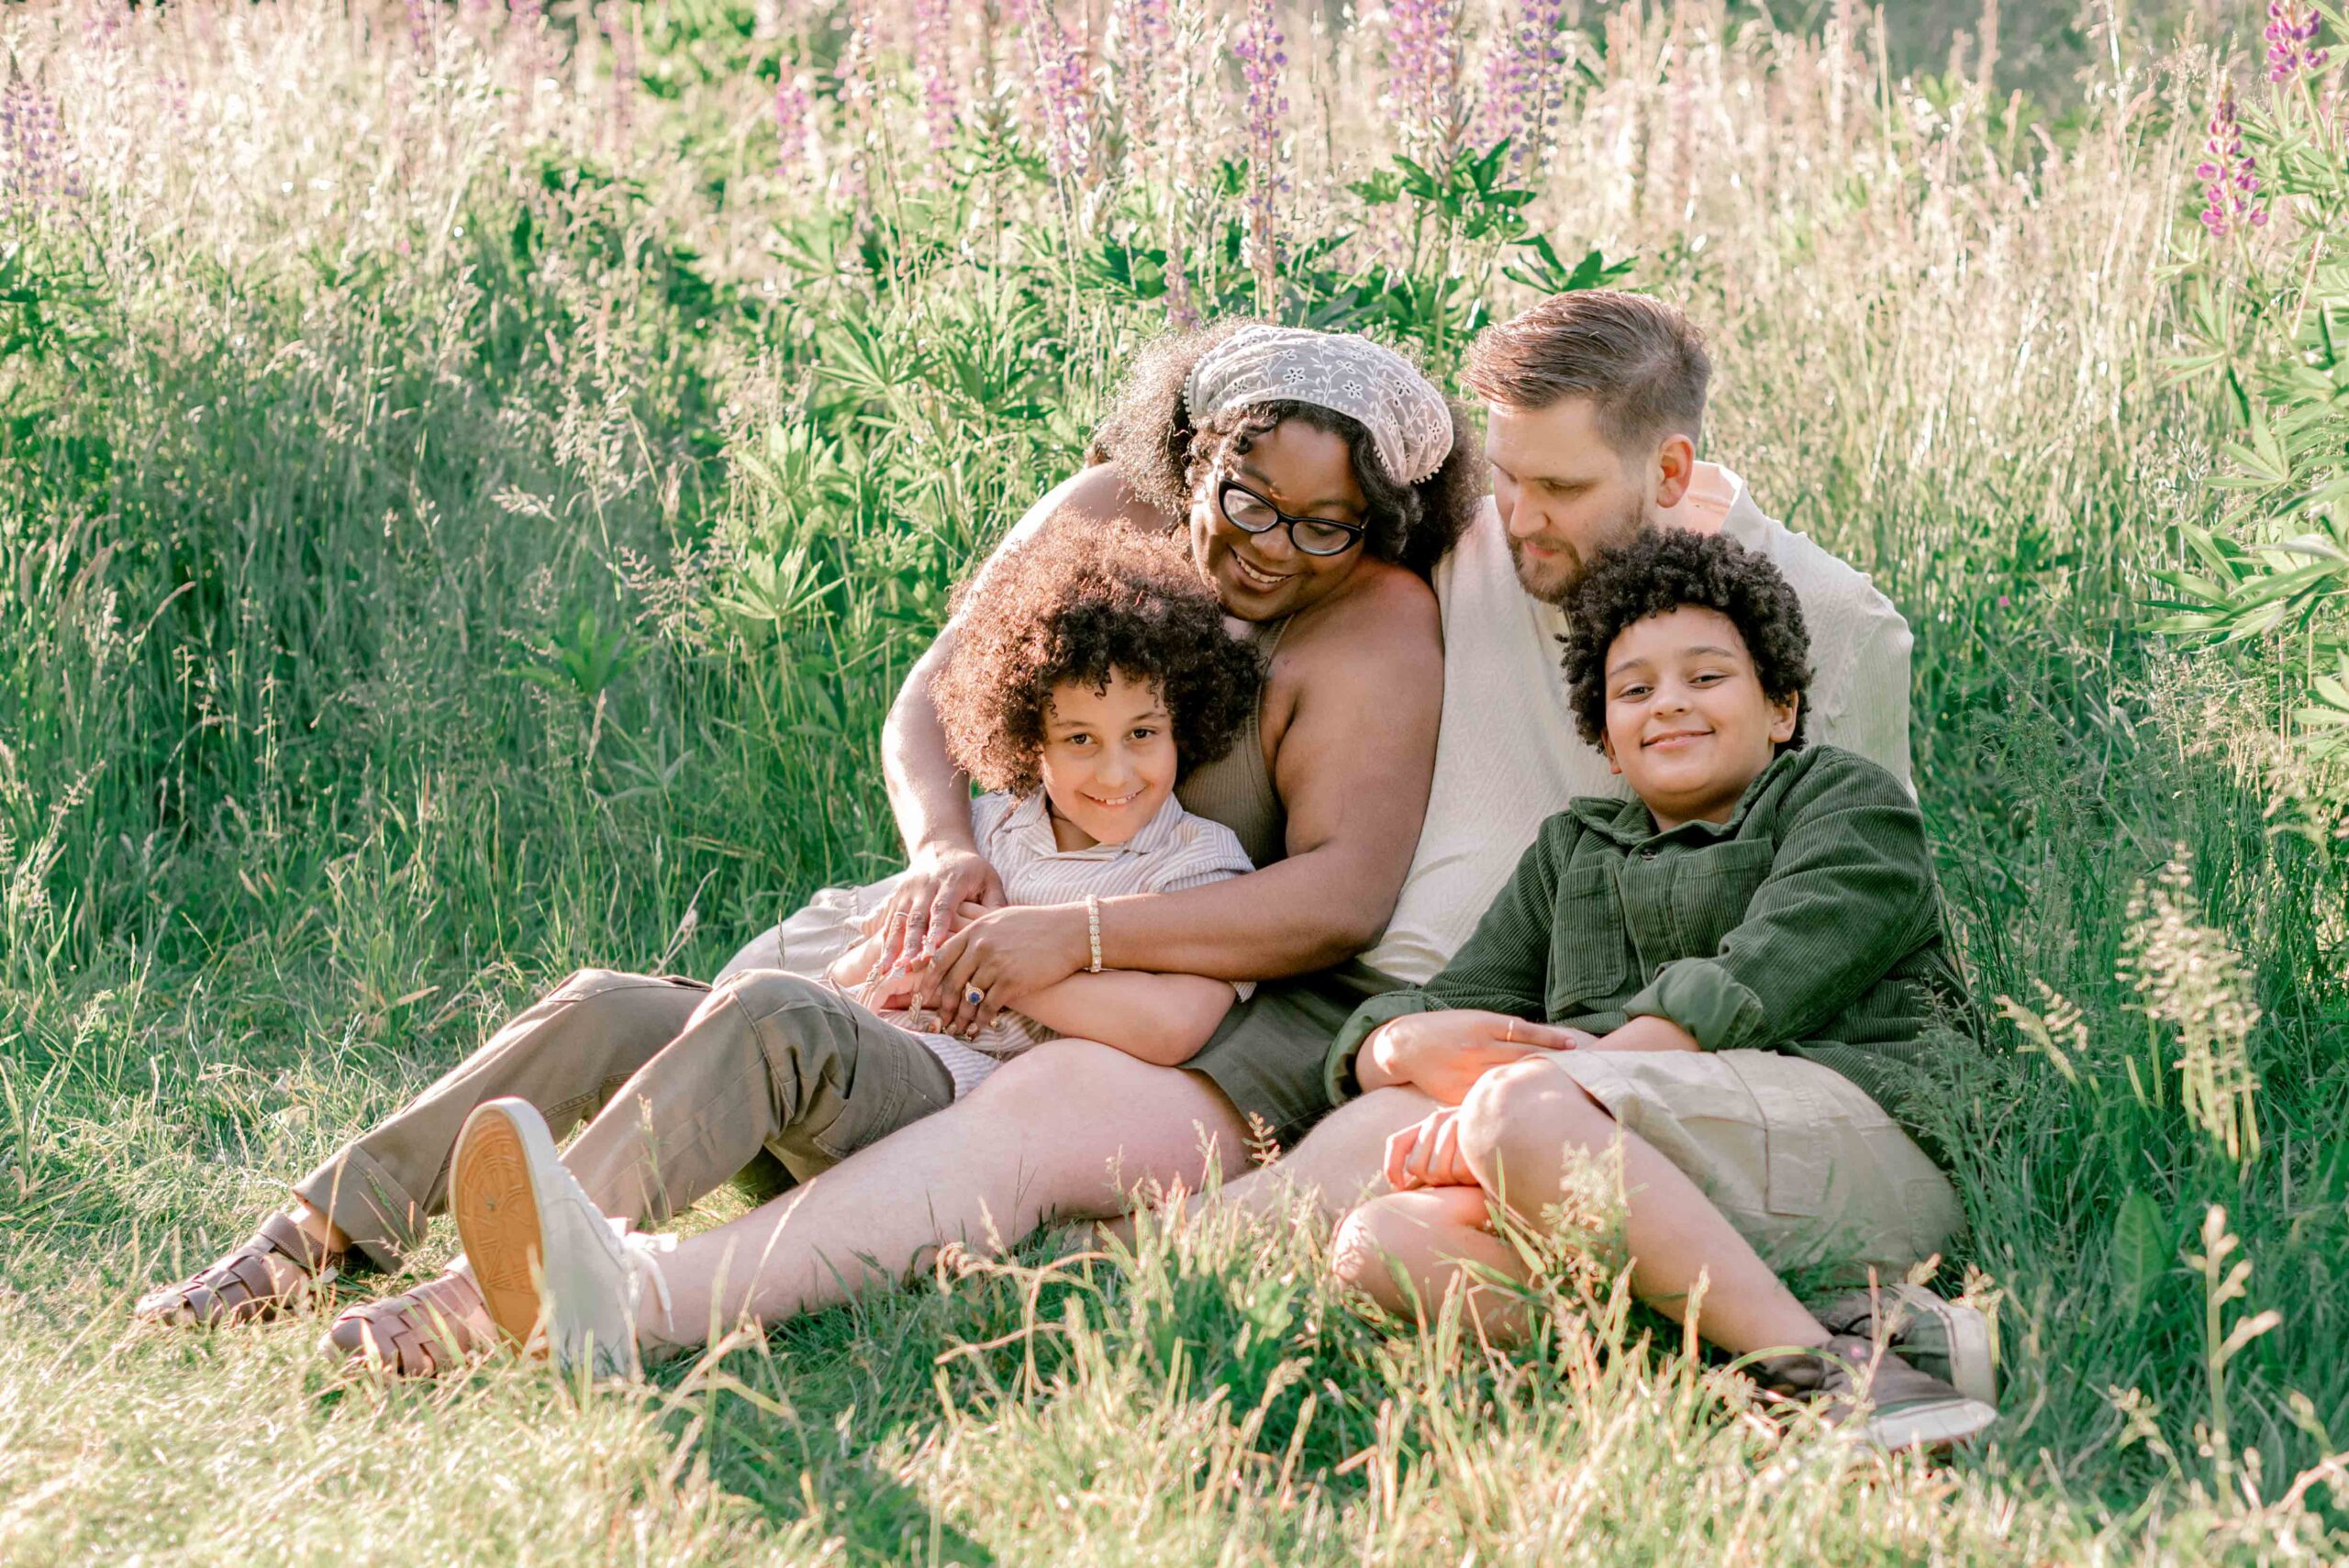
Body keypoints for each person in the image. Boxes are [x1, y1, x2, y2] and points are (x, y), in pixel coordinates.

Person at [131, 321, 1479, 1376]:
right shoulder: (1103, 512)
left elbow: (1340, 898)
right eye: (1249, 502)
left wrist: (1048, 943)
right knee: (609, 1005)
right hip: (920, 1002)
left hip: (1043, 1047)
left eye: (1325, 524)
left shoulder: (1369, 626)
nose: (1272, 549)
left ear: (1376, 522)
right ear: (1193, 458)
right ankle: (307, 1236)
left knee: (773, 1018)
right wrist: (947, 854)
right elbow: (932, 702)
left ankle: (500, 1292)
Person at [438, 522, 1269, 1374]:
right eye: (1079, 740)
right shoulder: (995, 825)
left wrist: (995, 969)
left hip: (938, 1115)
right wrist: (885, 965)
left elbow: (1174, 1024)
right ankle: (342, 1216)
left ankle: (482, 1290)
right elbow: (873, 949)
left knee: (772, 1011)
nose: (1116, 771)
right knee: (608, 1001)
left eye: (1143, 733)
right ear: (1030, 740)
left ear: (1185, 725)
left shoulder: (1196, 864)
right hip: (849, 1067)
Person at [1321, 527, 1994, 1451]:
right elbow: (1447, 997)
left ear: (1781, 708)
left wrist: (1547, 1101)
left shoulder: (1845, 800)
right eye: (1634, 690)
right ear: (1605, 741)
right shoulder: (1570, 852)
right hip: (1647, 1163)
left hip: (1867, 1148)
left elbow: (1752, 978)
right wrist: (1391, 1045)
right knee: (1379, 1241)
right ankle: (1805, 1348)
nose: (1668, 703)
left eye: (1706, 677)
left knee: (1518, 1107)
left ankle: (1834, 1380)